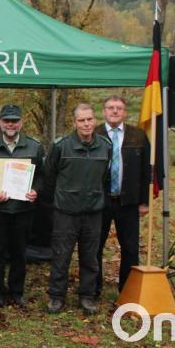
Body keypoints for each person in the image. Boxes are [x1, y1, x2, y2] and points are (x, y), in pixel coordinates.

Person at [44, 103, 111, 315]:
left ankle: (87, 296)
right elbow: (49, 177)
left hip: (93, 212)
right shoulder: (61, 146)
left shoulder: (105, 146)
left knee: (90, 257)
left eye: (89, 119)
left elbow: (106, 177)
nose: (86, 124)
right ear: (74, 123)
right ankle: (56, 296)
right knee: (61, 256)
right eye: (81, 120)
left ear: (95, 120)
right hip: (65, 212)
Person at [0, 104, 44, 309]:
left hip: (23, 209)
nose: (10, 124)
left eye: (14, 121)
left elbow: (43, 176)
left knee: (20, 252)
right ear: (0, 123)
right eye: (7, 120)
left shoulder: (34, 146)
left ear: (21, 122)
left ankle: (17, 292)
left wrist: (36, 189)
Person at [94, 95, 150, 298]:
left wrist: (144, 201)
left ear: (125, 112)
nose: (115, 111)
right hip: (100, 200)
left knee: (130, 248)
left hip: (128, 201)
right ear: (104, 111)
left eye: (119, 108)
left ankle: (127, 290)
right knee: (95, 246)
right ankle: (94, 289)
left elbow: (146, 171)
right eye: (111, 107)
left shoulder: (138, 135)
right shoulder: (94, 133)